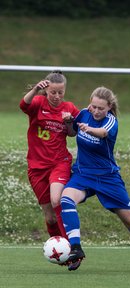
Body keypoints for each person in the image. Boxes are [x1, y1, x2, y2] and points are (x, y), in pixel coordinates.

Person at [61, 86, 130, 272]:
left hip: (107, 178)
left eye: (100, 108)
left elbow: (103, 133)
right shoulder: (84, 113)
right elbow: (72, 132)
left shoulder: (111, 121)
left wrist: (88, 129)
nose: (96, 111)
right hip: (83, 174)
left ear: (109, 107)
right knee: (66, 199)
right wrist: (68, 122)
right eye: (93, 106)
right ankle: (76, 249)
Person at [19, 71, 80, 239]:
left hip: (59, 162)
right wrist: (35, 90)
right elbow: (23, 105)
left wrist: (69, 122)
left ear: (65, 91)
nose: (57, 96)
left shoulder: (69, 108)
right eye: (53, 92)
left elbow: (72, 133)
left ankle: (72, 246)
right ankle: (58, 247)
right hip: (37, 167)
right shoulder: (38, 102)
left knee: (56, 200)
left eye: (60, 92)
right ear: (46, 90)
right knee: (50, 217)